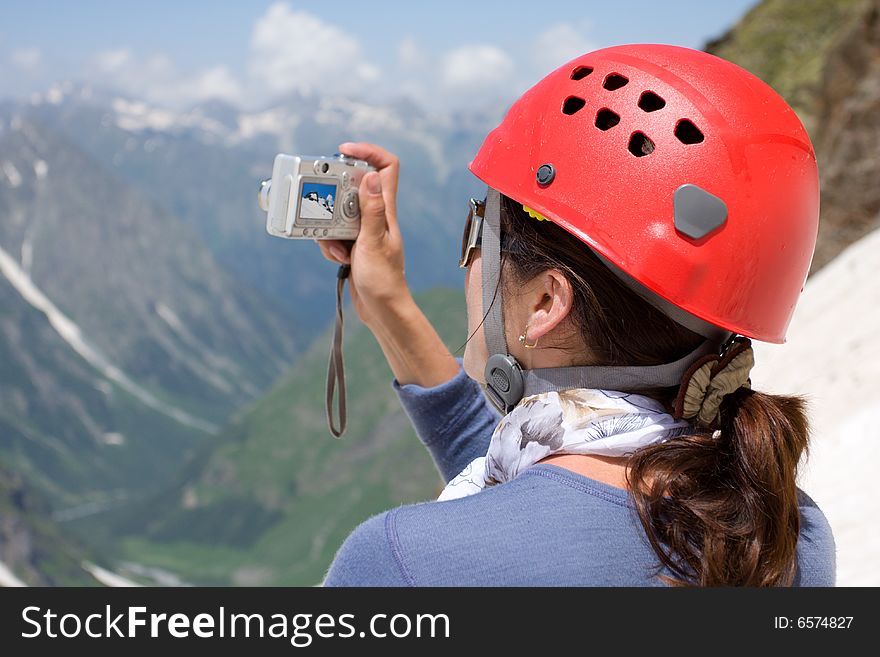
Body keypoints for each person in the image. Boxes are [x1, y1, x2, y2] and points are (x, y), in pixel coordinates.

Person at [317, 44, 835, 586]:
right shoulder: (787, 536)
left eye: (477, 234)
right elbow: (560, 517)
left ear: (545, 303)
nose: (469, 261)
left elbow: (512, 532)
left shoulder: (400, 563)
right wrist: (387, 304)